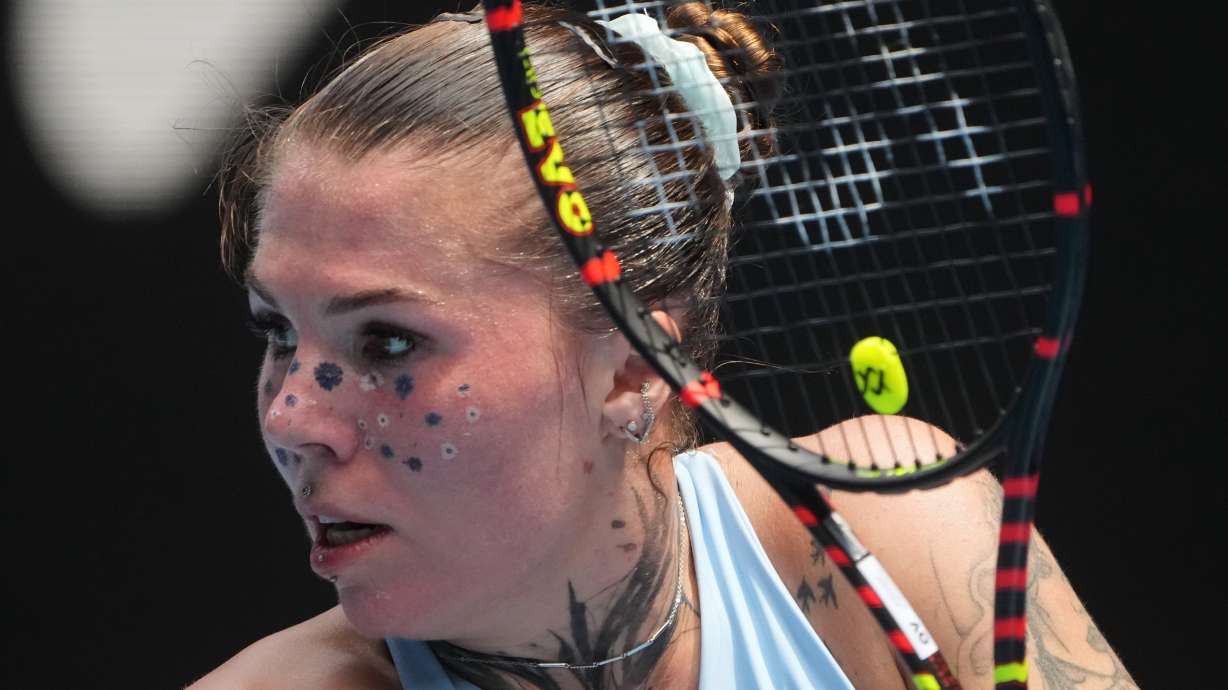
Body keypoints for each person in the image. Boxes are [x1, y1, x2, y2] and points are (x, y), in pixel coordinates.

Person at [189, 4, 1137, 689]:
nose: (292, 418)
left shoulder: (887, 534)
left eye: (388, 342)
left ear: (635, 364)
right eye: (278, 331)